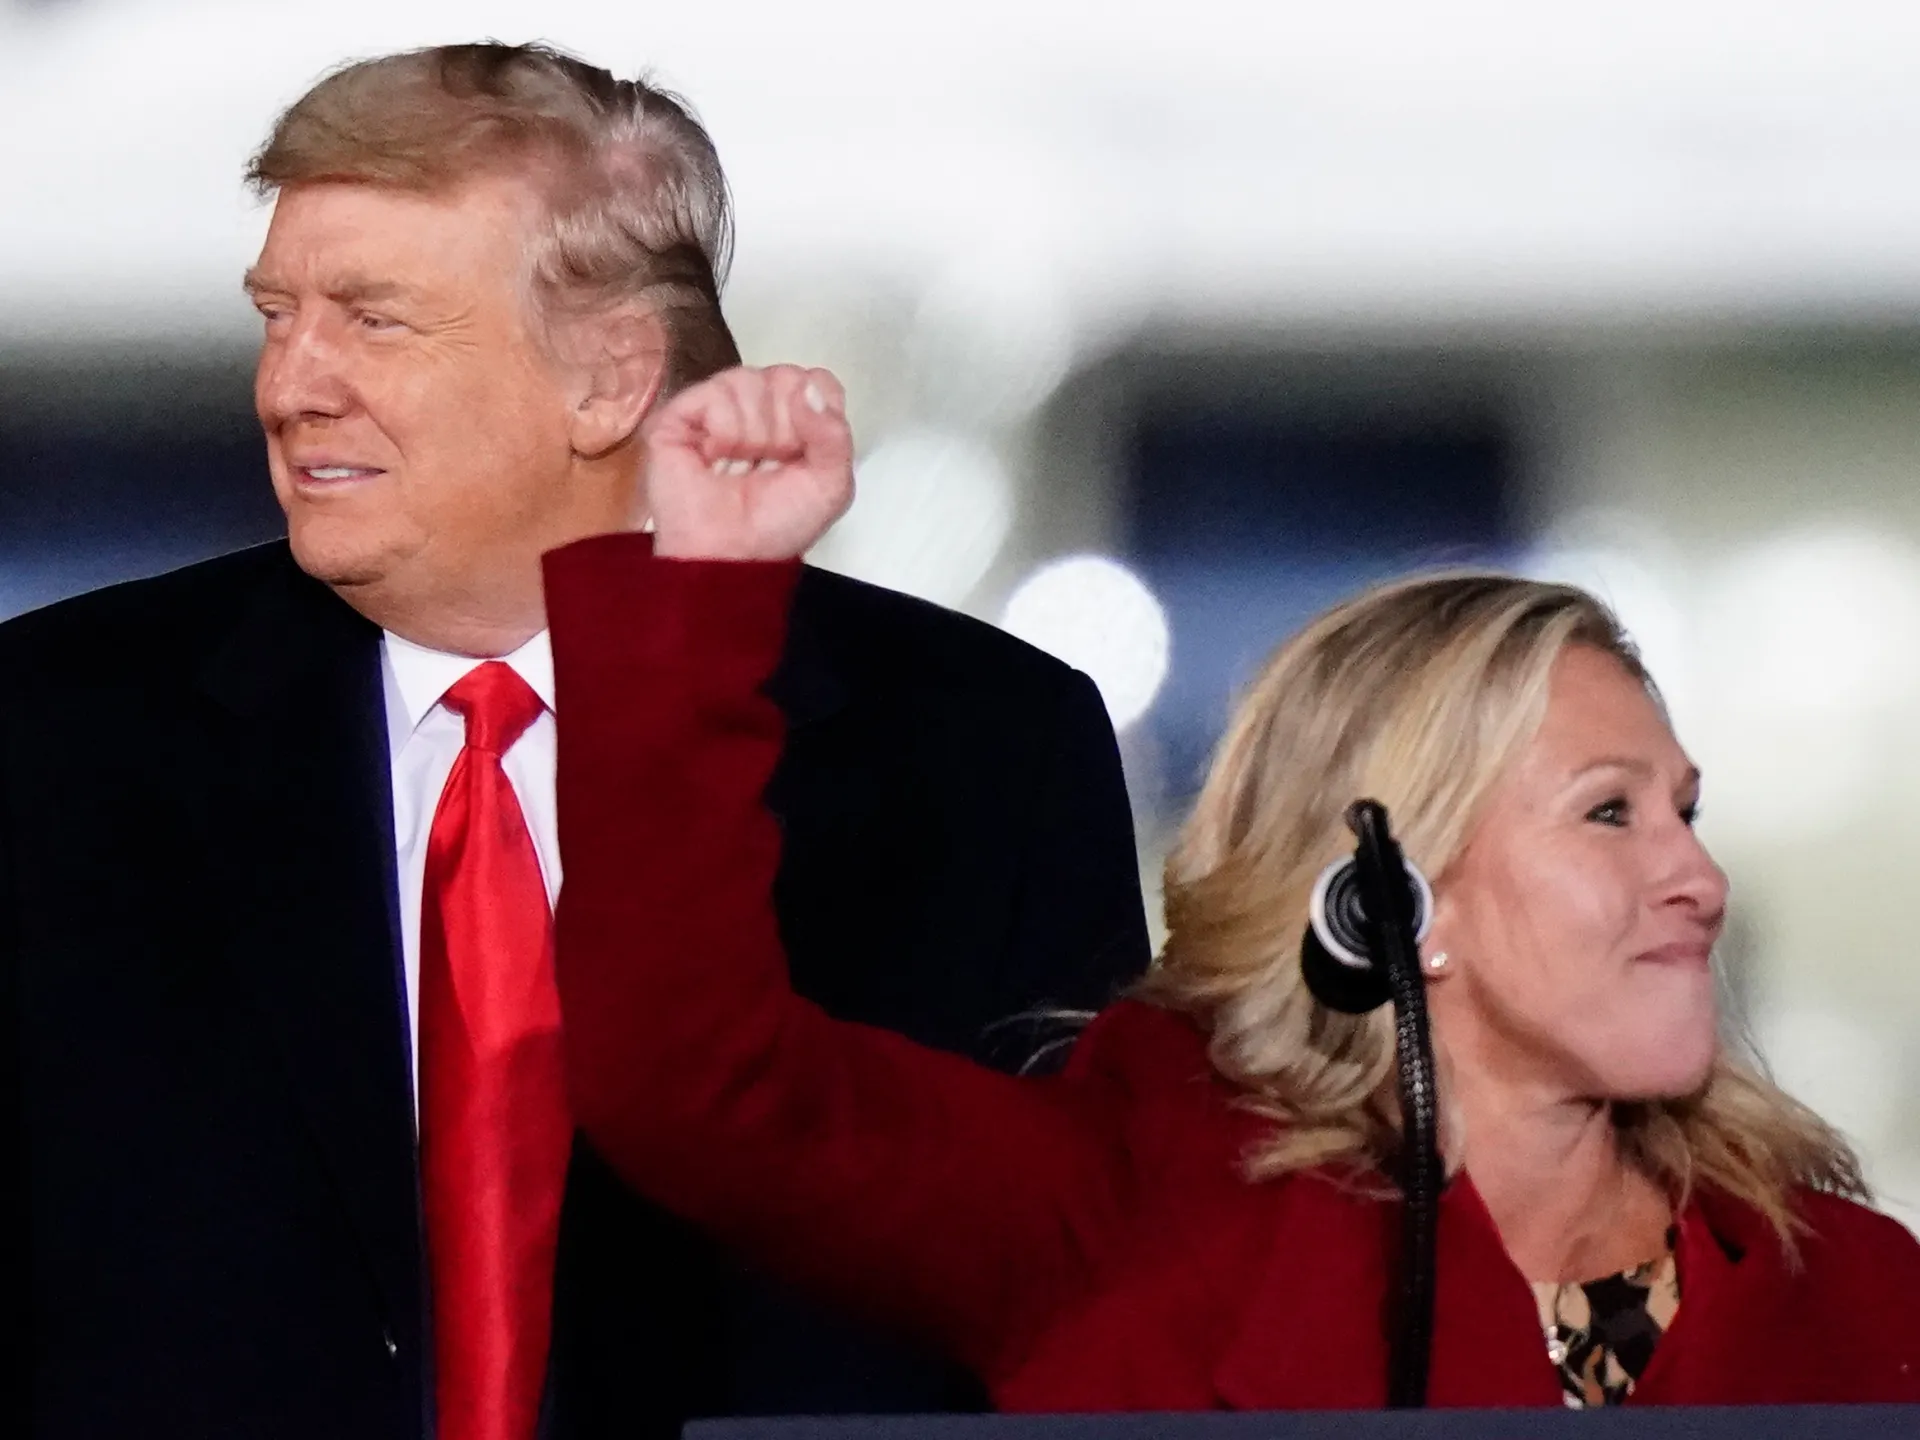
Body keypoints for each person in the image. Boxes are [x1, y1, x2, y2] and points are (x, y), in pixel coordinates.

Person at [0, 43, 1147, 1440]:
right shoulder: (51, 735)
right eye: (277, 316)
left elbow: (1077, 1317)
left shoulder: (982, 754)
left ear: (609, 379)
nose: (289, 386)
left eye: (374, 321)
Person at [545, 363, 1920, 1412]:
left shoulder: (1855, 1290)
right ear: (1396, 897)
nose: (1699, 877)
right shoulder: (1127, 1213)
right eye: (1610, 813)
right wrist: (707, 595)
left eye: (1687, 811)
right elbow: (696, 1078)